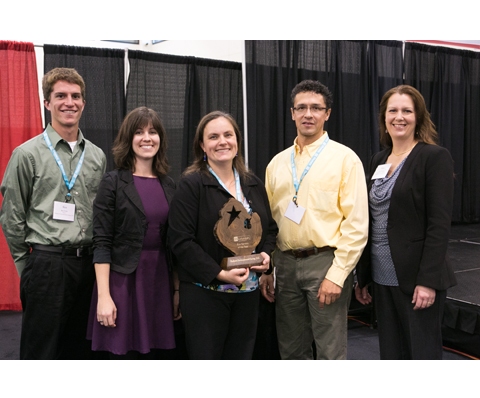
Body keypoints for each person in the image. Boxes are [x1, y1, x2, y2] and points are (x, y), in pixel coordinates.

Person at [0, 67, 106, 359]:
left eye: (75, 96)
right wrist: (28, 270)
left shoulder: (97, 156)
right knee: (41, 352)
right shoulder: (27, 154)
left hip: (87, 266)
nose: (68, 102)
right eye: (60, 95)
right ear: (47, 103)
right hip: (46, 264)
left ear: (83, 103)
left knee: (81, 351)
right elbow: (11, 217)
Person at [262, 80, 369, 360]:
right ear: (292, 113)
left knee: (329, 351)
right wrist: (270, 270)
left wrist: (337, 275)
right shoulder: (276, 164)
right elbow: (271, 223)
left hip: (325, 264)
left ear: (327, 113)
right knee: (291, 350)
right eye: (302, 107)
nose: (308, 114)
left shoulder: (345, 160)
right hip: (284, 265)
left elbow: (356, 225)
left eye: (316, 108)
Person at [355, 85, 457, 359]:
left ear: (418, 117)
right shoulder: (379, 159)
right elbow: (371, 220)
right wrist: (362, 277)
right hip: (381, 277)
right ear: (384, 118)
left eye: (407, 111)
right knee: (392, 353)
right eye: (393, 111)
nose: (399, 117)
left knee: (421, 354)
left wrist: (428, 281)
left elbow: (439, 226)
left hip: (416, 279)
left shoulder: (433, 157)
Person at [168, 111, 278, 359]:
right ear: (202, 145)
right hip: (205, 294)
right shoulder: (191, 185)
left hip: (247, 295)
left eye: (228, 135)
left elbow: (270, 229)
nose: (222, 142)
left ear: (237, 142)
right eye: (214, 137)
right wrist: (219, 273)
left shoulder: (252, 183)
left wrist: (265, 255)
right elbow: (181, 241)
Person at [86, 106, 180, 359]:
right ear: (129, 139)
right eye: (139, 132)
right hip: (122, 283)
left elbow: (175, 244)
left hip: (159, 280)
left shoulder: (170, 185)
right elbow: (102, 242)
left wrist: (177, 290)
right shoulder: (113, 182)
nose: (147, 138)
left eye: (152, 131)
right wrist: (104, 297)